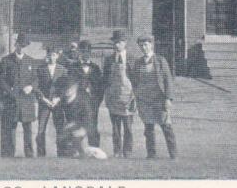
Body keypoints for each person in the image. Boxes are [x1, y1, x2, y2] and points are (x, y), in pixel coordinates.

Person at [133, 35, 177, 159]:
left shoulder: (160, 60)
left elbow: (168, 80)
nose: (144, 48)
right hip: (144, 100)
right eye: (141, 45)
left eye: (146, 44)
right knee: (148, 128)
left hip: (159, 99)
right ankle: (151, 154)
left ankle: (174, 155)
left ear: (151, 45)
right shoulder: (138, 62)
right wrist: (137, 95)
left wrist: (168, 98)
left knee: (166, 126)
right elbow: (135, 80)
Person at [0, 32, 39, 158]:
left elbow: (36, 79)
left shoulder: (31, 61)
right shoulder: (6, 61)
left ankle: (29, 153)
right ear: (16, 45)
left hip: (27, 101)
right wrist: (11, 93)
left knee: (28, 129)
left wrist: (31, 86)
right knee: (11, 128)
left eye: (24, 46)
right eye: (20, 45)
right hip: (12, 100)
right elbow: (1, 80)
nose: (22, 48)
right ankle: (9, 153)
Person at [102, 30, 139, 158]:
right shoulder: (108, 60)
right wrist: (107, 94)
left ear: (125, 43)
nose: (116, 45)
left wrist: (134, 96)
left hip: (128, 97)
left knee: (128, 127)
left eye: (119, 42)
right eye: (115, 43)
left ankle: (127, 151)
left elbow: (136, 79)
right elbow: (105, 79)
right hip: (114, 96)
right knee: (115, 128)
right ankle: (117, 151)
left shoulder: (132, 59)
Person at [58, 79, 108, 160]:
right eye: (66, 89)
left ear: (75, 88)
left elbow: (90, 118)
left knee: (78, 141)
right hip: (72, 127)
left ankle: (88, 152)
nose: (67, 91)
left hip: (85, 127)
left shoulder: (83, 101)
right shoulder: (63, 100)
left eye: (70, 88)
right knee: (62, 138)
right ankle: (72, 153)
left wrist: (84, 130)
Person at [70, 40, 103, 149]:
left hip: (92, 103)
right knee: (77, 125)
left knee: (92, 125)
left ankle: (94, 149)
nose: (85, 54)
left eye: (87, 52)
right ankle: (77, 150)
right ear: (79, 52)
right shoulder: (73, 67)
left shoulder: (96, 68)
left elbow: (100, 87)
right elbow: (70, 85)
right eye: (83, 51)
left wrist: (97, 101)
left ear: (90, 53)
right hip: (77, 103)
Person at [36, 45, 67, 157]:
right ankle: (41, 153)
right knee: (41, 129)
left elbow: (65, 87)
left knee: (60, 128)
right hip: (44, 103)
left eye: (54, 55)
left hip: (57, 104)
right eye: (49, 54)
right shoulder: (40, 69)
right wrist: (43, 99)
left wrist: (58, 98)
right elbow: (36, 86)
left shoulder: (63, 70)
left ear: (57, 56)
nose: (51, 57)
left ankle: (61, 152)